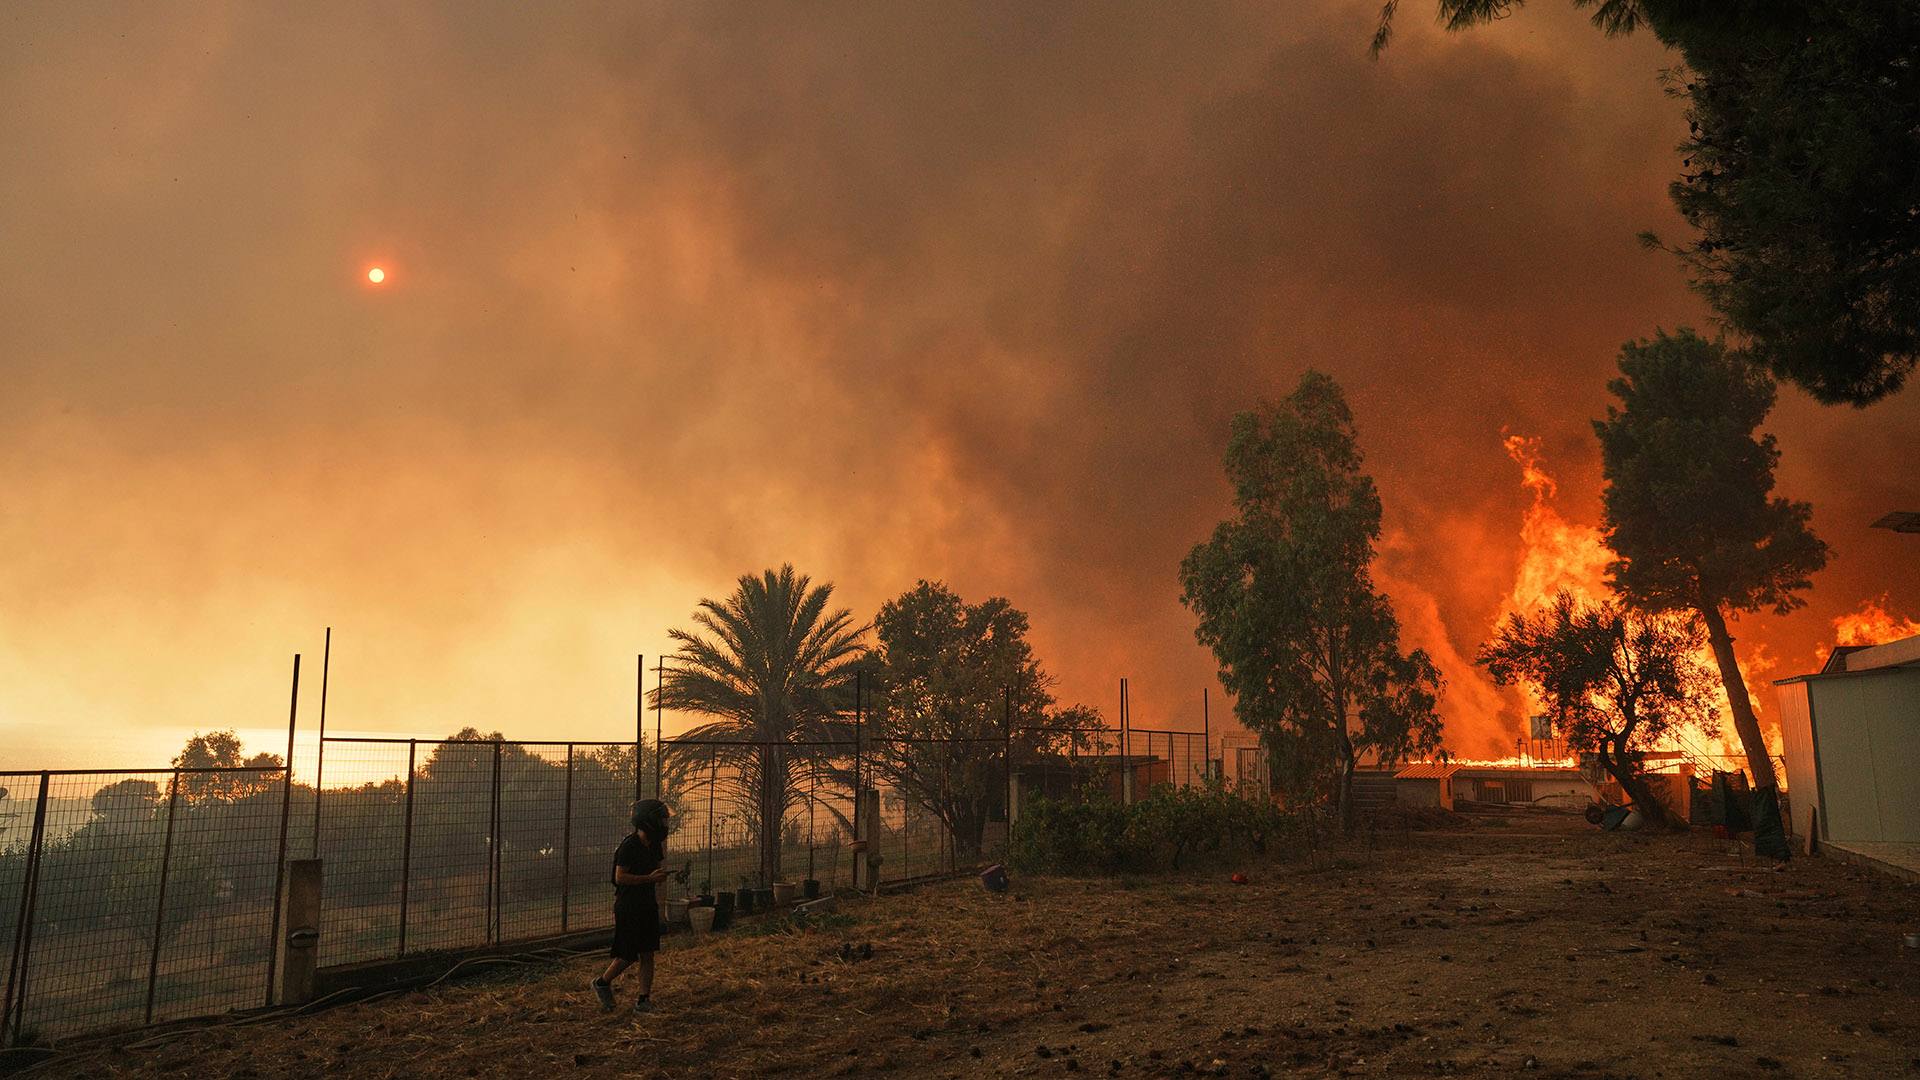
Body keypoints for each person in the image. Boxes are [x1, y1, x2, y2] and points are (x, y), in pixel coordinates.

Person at [590, 799, 673, 1014]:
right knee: (627, 956)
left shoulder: (655, 845)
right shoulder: (629, 846)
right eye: (661, 820)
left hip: (647, 905)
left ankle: (643, 1001)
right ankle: (602, 982)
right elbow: (620, 877)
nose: (664, 824)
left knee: (648, 953)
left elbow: (656, 871)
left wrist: (661, 876)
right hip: (628, 907)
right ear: (647, 822)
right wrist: (648, 878)